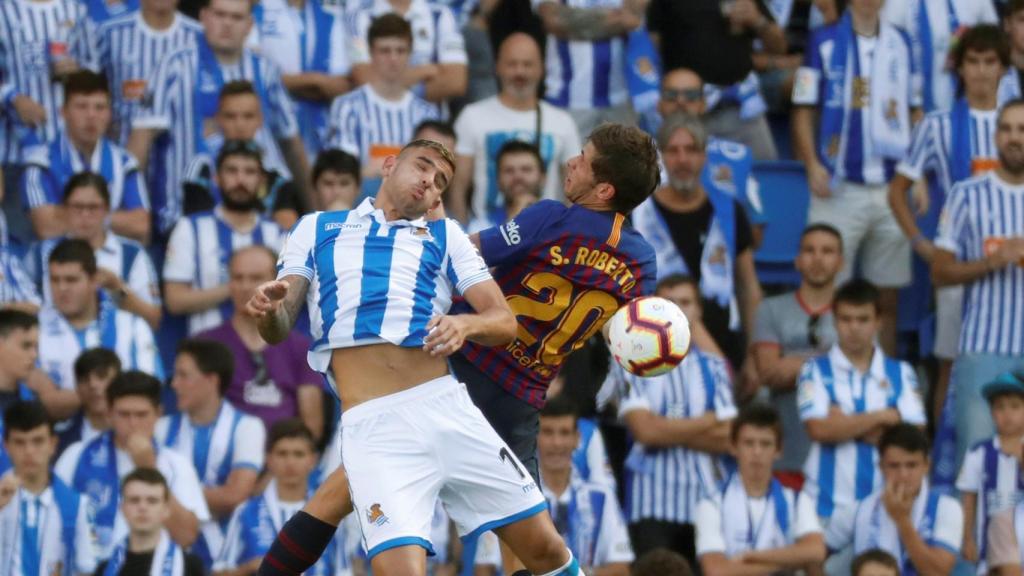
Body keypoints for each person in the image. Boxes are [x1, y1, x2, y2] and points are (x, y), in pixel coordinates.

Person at [250, 132, 658, 576]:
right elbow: (632, 331)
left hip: (459, 374)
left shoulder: (538, 220)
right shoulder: (642, 260)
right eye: (422, 167)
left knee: (337, 496)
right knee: (527, 550)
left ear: (604, 190)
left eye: (584, 158)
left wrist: (457, 293)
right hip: (517, 394)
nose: (572, 162)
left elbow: (484, 272)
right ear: (389, 166)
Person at [889, 25, 1006, 445]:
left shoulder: (1017, 121)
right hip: (959, 264)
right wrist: (920, 242)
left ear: (1004, 68)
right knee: (950, 363)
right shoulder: (938, 125)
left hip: (1014, 264)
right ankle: (940, 458)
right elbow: (898, 189)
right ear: (960, 68)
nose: (980, 72)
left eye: (989, 62)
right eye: (972, 62)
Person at [792, 0, 922, 355]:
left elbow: (915, 110)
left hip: (890, 187)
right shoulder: (822, 40)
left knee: (887, 299)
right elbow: (803, 107)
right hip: (838, 186)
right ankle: (830, 383)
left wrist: (919, 175)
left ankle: (887, 389)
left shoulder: (903, 42)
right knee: (828, 293)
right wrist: (810, 163)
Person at [127, 0, 308, 238]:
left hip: (258, 218)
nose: (227, 24)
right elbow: (142, 138)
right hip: (180, 213)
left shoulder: (265, 70)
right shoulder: (174, 66)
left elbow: (290, 142)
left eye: (236, 17)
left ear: (249, 24)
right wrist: (130, 208)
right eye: (220, 15)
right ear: (203, 16)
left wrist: (313, 207)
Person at [601, 274, 735, 565]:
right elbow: (646, 432)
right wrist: (708, 420)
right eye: (669, 303)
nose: (679, 310)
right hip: (651, 501)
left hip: (706, 499)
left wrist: (665, 427)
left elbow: (729, 437)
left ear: (698, 310)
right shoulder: (631, 360)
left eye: (686, 302)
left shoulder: (714, 365)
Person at [932, 98, 1024, 473]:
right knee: (978, 464)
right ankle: (972, 535)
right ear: (994, 136)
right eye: (1007, 129)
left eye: (1022, 129)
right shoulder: (966, 194)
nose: (1015, 138)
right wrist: (990, 262)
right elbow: (939, 272)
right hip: (984, 346)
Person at [632, 112, 763, 377]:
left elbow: (749, 287)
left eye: (691, 150)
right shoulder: (636, 214)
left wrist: (752, 355)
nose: (683, 160)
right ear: (661, 159)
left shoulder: (729, 209)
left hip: (724, 348)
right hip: (654, 349)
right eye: (674, 151)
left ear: (704, 156)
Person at [798, 279, 926, 524]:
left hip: (885, 509)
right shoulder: (812, 370)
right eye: (846, 319)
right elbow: (818, 429)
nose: (854, 327)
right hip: (826, 507)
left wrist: (845, 425)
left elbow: (913, 437)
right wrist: (882, 417)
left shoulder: (902, 372)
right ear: (834, 321)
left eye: (863, 319)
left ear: (878, 322)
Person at [55, 371, 211, 560]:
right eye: (124, 414)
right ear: (110, 414)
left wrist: (150, 468)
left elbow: (186, 536)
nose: (133, 423)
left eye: (141, 414)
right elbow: (54, 524)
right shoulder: (76, 455)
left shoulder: (177, 465)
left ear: (158, 414)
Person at [450, 32, 581, 224]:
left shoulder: (563, 122)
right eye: (512, 64)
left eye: (527, 64)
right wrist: (461, 239)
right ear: (497, 67)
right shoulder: (471, 117)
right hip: (486, 235)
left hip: (546, 239)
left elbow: (576, 191)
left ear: (542, 69)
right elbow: (457, 188)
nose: (520, 72)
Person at [157, 338, 266, 568]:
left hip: (227, 553)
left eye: (183, 375)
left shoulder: (247, 427)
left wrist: (171, 498)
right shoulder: (160, 428)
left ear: (211, 380)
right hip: (172, 548)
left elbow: (236, 495)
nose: (174, 384)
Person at [197, 246, 323, 437]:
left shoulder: (300, 347)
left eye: (256, 278)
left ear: (277, 283)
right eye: (238, 278)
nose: (246, 287)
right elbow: (199, 417)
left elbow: (312, 428)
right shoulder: (205, 345)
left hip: (282, 458)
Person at [163, 141, 284, 336]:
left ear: (262, 180)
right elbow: (174, 300)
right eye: (232, 171)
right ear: (216, 178)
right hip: (208, 352)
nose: (240, 180)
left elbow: (288, 297)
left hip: (265, 347)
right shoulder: (189, 228)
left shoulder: (278, 234)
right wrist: (237, 288)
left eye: (249, 172)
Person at [0, 0, 96, 244]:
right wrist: (13, 97)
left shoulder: (75, 9)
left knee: (66, 239)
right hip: (16, 154)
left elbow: (95, 69)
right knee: (21, 240)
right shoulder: (5, 10)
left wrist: (77, 73)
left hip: (67, 153)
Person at [752, 223, 842, 482]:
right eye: (810, 251)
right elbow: (770, 373)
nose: (818, 259)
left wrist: (795, 363)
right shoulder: (771, 309)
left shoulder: (854, 312)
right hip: (786, 452)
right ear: (798, 261)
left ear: (840, 261)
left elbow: (860, 369)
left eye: (827, 251)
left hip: (838, 460)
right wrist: (830, 363)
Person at [19, 70, 150, 243]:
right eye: (81, 106)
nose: (91, 116)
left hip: (111, 260)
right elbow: (46, 226)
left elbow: (141, 225)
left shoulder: (124, 162)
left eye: (99, 107)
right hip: (58, 260)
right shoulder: (40, 162)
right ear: (63, 112)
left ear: (109, 113)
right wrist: (113, 218)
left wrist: (68, 215)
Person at [640, 68, 767, 245]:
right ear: (659, 104)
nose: (681, 102)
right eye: (671, 95)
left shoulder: (736, 158)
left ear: (704, 103)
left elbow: (756, 232)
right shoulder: (635, 159)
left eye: (690, 96)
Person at [695, 404, 826, 575]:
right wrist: (788, 562)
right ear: (734, 447)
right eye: (749, 443)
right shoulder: (712, 504)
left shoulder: (796, 500)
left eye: (765, 444)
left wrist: (751, 557)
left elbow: (816, 552)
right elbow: (717, 571)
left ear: (778, 450)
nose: (757, 452)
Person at [646, 0, 785, 161]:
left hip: (740, 107)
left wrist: (758, 21)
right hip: (686, 109)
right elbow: (649, 49)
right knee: (682, 176)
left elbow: (779, 48)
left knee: (766, 173)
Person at [825, 424, 963, 576]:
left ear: (926, 466)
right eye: (894, 466)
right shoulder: (859, 510)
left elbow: (937, 572)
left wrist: (902, 520)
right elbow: (816, 553)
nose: (903, 475)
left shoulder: (947, 508)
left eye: (911, 465)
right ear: (881, 467)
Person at [33, 172, 161, 329]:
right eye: (78, 207)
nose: (85, 215)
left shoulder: (132, 254)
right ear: (65, 209)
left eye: (93, 207)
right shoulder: (41, 253)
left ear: (107, 209)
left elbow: (154, 319)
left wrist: (118, 289)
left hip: (116, 344)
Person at [215, 419, 343, 576]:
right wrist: (248, 568)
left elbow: (344, 571)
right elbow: (218, 573)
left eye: (298, 454)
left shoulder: (330, 512)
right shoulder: (246, 512)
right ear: (269, 459)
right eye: (282, 453)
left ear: (313, 460)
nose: (290, 462)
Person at [325, 14, 438, 189]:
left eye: (400, 51)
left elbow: (435, 174)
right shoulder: (347, 107)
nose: (393, 58)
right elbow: (342, 173)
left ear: (410, 54)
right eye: (385, 51)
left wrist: (378, 167)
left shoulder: (427, 113)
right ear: (371, 53)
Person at [38, 239, 161, 399]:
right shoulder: (33, 329)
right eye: (55, 280)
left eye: (71, 280)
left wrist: (68, 397)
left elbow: (147, 389)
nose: (62, 288)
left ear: (94, 281)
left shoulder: (132, 327)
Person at [182, 80, 302, 230]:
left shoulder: (277, 172)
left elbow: (287, 228)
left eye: (248, 116)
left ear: (260, 120)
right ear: (218, 119)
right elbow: (197, 227)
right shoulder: (201, 167)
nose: (240, 125)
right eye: (231, 116)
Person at [537, 396, 634, 575]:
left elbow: (621, 569)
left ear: (577, 439)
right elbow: (485, 567)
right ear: (536, 437)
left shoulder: (601, 497)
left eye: (564, 433)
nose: (556, 443)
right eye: (548, 432)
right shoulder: (522, 496)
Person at [0, 401, 97, 576]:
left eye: (37, 441)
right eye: (20, 442)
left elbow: (85, 568)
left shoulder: (77, 504)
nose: (29, 451)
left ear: (53, 444)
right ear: (6, 446)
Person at [251, 0, 351, 161]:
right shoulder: (261, 10)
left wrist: (286, 84)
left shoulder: (330, 15)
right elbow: (255, 76)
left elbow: (339, 86)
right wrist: (316, 80)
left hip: (320, 135)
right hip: (270, 131)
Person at [96, 0, 202, 145]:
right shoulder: (110, 33)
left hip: (182, 150)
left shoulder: (198, 36)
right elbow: (93, 86)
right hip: (122, 145)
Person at [532, 0, 642, 138]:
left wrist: (575, 20)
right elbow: (555, 20)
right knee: (571, 158)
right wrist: (615, 21)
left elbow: (635, 17)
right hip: (567, 99)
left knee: (626, 157)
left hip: (622, 99)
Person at [957, 371, 1024, 574]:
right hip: (991, 555)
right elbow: (969, 497)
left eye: (1015, 406)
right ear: (991, 413)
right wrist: (967, 536)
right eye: (999, 407)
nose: (1007, 414)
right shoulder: (979, 452)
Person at [346, 0, 467, 106]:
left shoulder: (441, 14)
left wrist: (387, 86)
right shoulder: (360, 16)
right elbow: (364, 80)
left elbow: (455, 82)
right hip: (376, 123)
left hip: (429, 125)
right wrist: (421, 72)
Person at [885, 0, 997, 114]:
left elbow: (993, 41)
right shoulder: (899, 3)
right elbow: (891, 50)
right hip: (919, 106)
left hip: (970, 107)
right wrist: (913, 105)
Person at [94, 468, 207, 576]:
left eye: (152, 501)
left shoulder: (189, 566)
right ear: (122, 508)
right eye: (134, 500)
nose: (143, 507)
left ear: (166, 509)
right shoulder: (105, 569)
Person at [466, 140, 544, 233]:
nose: (517, 177)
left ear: (542, 177)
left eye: (526, 169)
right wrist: (514, 220)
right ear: (498, 180)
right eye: (509, 170)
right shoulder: (479, 228)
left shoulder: (560, 222)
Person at [58, 347, 120, 453]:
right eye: (84, 379)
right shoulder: (60, 438)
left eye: (101, 376)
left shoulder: (137, 432)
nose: (93, 385)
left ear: (119, 381)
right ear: (76, 387)